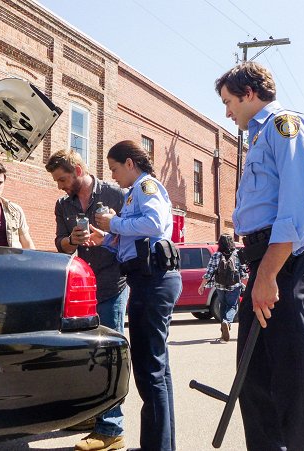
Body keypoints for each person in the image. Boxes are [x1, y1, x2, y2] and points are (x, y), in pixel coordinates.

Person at [214, 62, 304, 450]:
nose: (227, 112)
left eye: (229, 101)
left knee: (292, 382)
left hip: (286, 265)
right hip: (263, 262)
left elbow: (295, 209)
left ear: (248, 93)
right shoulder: (257, 137)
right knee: (255, 380)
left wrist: (268, 276)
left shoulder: (283, 126)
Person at [88, 140, 182, 451]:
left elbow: (155, 224)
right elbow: (132, 240)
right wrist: (107, 238)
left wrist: (114, 222)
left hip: (152, 280)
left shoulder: (145, 186)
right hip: (148, 277)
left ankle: (157, 446)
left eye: (115, 169)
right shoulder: (133, 195)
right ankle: (163, 445)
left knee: (148, 371)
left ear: (130, 163)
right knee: (158, 369)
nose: (113, 176)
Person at [45, 149, 129, 451]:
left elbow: (136, 235)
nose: (60, 186)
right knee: (89, 355)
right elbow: (61, 245)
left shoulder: (116, 193)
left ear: (78, 169)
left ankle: (111, 429)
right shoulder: (63, 205)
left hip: (114, 285)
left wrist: (108, 238)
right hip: (86, 290)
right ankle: (93, 416)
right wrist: (72, 241)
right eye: (57, 181)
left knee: (110, 356)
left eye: (63, 179)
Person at [198, 234, 248, 341]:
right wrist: (247, 286)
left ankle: (223, 329)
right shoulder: (238, 255)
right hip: (234, 286)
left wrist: (202, 285)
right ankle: (227, 322)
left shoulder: (216, 255)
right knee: (233, 306)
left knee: (223, 306)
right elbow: (243, 274)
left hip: (219, 285)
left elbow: (209, 272)